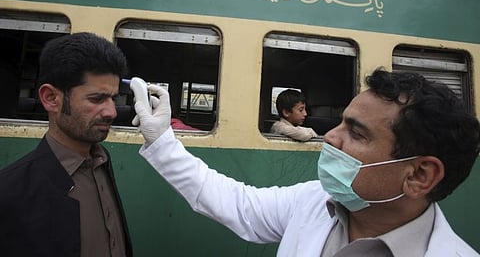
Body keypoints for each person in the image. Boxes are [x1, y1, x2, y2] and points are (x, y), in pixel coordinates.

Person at [133, 68, 480, 256]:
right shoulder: (315, 203)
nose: (330, 137)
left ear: (419, 175)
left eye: (356, 133)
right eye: (340, 122)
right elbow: (237, 203)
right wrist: (162, 142)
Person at [0, 32, 133, 257]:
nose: (111, 111)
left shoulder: (101, 165)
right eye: (96, 99)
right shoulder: (9, 192)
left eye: (113, 98)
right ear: (51, 98)